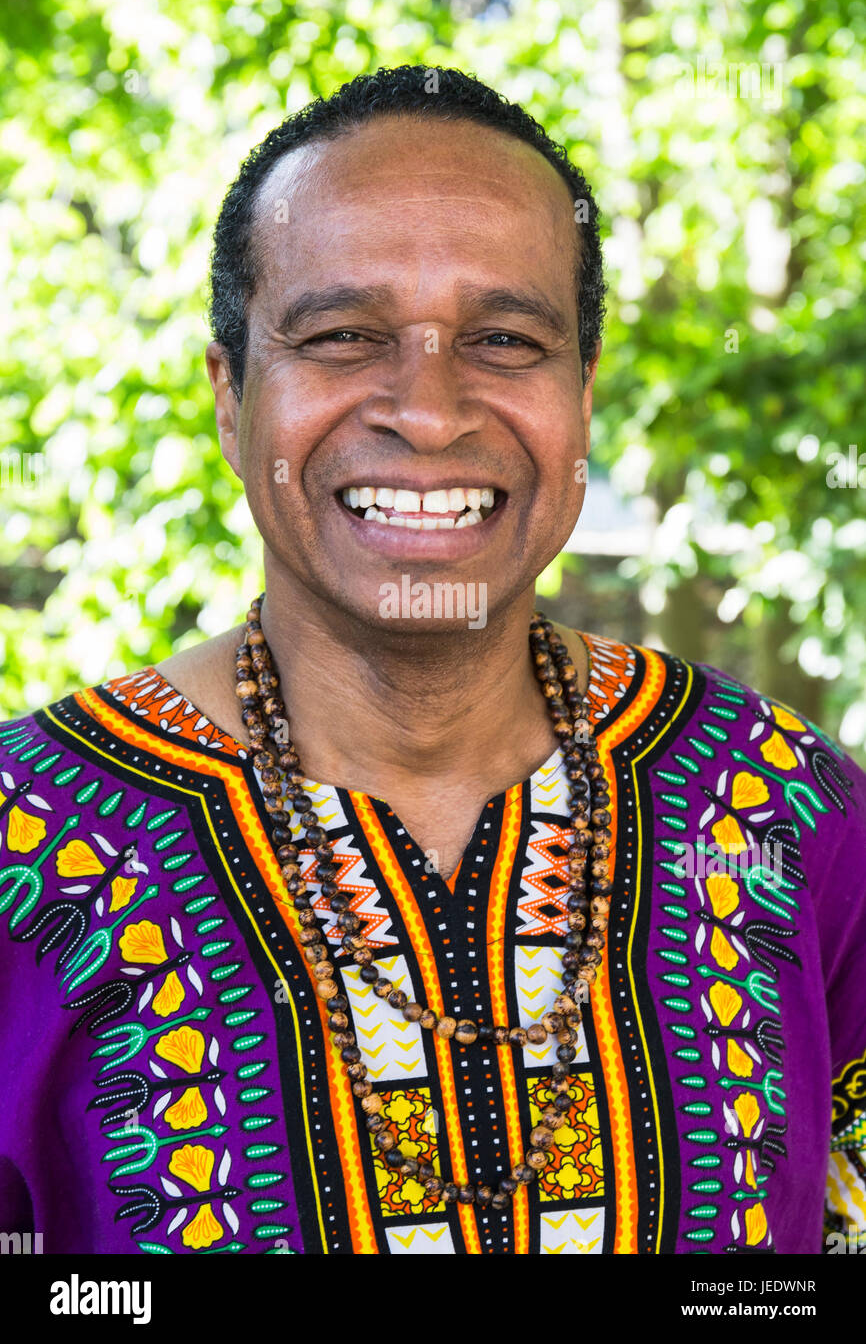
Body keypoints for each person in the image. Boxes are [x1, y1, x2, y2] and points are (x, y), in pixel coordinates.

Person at [1, 64, 864, 1257]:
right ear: (227, 395)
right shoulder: (25, 848)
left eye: (504, 339)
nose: (427, 408)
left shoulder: (784, 810)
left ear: (581, 398)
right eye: (342, 333)